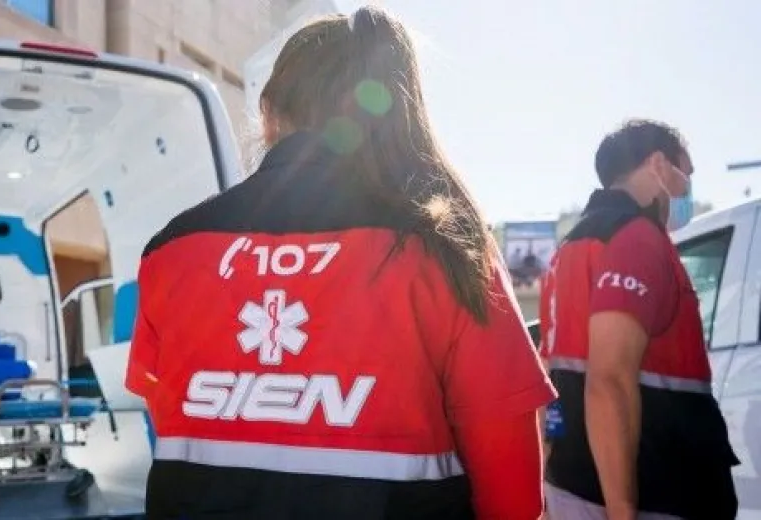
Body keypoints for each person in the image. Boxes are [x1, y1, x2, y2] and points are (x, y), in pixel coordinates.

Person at [125, 6, 555, 519]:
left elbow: (167, 415)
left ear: (268, 113)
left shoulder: (172, 249)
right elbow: (513, 493)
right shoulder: (445, 247)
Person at [538, 119, 739, 520]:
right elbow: (609, 379)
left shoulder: (570, 249)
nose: (686, 189)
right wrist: (622, 509)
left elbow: (549, 378)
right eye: (687, 173)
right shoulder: (636, 239)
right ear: (659, 165)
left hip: (572, 483)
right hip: (653, 490)